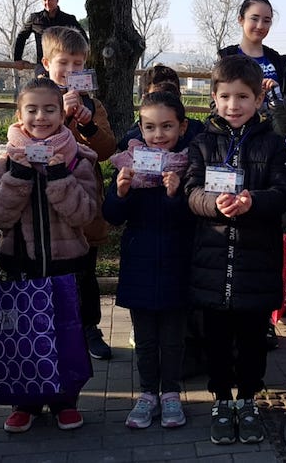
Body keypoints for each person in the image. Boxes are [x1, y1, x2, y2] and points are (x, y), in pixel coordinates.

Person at [183, 54, 286, 445]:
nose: (234, 105)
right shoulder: (201, 142)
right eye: (225, 96)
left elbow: (282, 194)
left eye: (243, 97)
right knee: (216, 340)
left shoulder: (274, 145)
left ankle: (247, 399)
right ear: (213, 96)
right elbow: (190, 192)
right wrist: (213, 204)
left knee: (251, 341)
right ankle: (222, 399)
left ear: (258, 100)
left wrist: (252, 203)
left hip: (255, 264)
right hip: (212, 262)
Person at [0, 77, 99, 434]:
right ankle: (25, 402)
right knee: (23, 337)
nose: (41, 117)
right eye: (31, 109)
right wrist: (18, 176)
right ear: (19, 114)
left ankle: (66, 400)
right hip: (21, 265)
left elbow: (85, 214)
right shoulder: (6, 160)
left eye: (50, 109)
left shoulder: (78, 159)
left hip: (67, 267)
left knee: (66, 335)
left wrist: (57, 175)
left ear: (61, 115)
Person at [103, 91, 194, 430]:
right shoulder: (130, 164)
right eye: (150, 127)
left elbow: (193, 218)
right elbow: (111, 216)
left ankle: (170, 394)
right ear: (140, 128)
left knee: (173, 339)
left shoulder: (188, 167)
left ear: (182, 128)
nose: (158, 135)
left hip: (176, 263)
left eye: (167, 127)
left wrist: (174, 194)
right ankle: (146, 395)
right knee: (145, 339)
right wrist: (121, 193)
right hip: (139, 263)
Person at [40, 25, 117, 360]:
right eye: (64, 63)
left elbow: (106, 149)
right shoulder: (36, 100)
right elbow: (29, 141)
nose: (71, 70)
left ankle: (89, 327)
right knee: (50, 270)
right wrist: (59, 118)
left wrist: (85, 123)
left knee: (85, 271)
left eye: (78, 63)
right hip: (47, 205)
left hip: (85, 200)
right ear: (46, 63)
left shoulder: (92, 104)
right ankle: (48, 328)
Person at [217, 0, 286, 136]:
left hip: (273, 138)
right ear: (241, 20)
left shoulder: (278, 61)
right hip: (236, 137)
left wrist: (276, 96)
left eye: (267, 21)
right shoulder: (227, 57)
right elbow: (216, 104)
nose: (260, 26)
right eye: (254, 18)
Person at [117, 65, 205, 151]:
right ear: (144, 99)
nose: (158, 135)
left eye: (171, 96)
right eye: (156, 96)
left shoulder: (198, 133)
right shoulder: (131, 143)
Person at [14, 0, 89, 76]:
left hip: (64, 65)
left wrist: (84, 57)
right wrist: (17, 58)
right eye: (44, 0)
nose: (47, 2)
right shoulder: (34, 19)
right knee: (43, 84)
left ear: (57, 1)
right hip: (43, 65)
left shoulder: (68, 19)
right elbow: (21, 37)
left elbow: (83, 38)